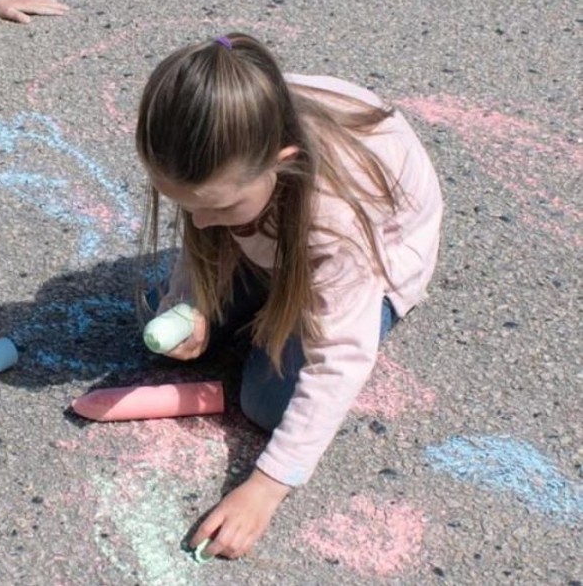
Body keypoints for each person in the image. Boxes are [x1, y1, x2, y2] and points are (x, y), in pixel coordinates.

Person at [135, 32, 443, 560]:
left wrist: (265, 488)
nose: (202, 222)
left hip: (376, 258)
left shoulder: (335, 222)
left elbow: (340, 360)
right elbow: (205, 223)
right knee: (160, 318)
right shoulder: (223, 143)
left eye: (221, 208)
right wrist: (193, 299)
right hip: (276, 236)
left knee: (265, 402)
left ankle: (275, 310)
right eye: (187, 206)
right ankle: (256, 304)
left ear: (282, 162)